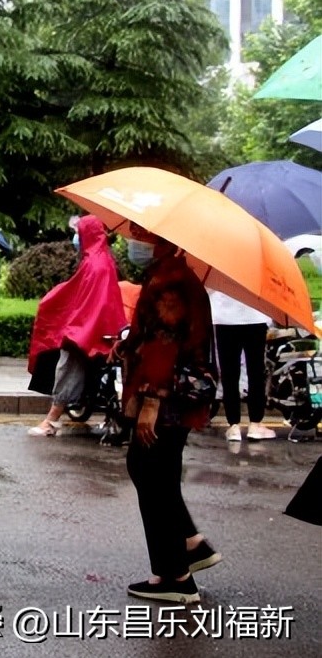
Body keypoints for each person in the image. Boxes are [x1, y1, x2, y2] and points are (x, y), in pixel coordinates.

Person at [119, 233, 221, 603]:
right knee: (152, 471)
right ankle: (189, 545)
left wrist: (150, 402)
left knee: (151, 472)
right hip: (174, 395)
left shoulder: (170, 280)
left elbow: (165, 344)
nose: (132, 240)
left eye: (137, 233)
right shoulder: (170, 273)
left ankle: (174, 576)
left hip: (168, 398)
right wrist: (128, 345)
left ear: (157, 238)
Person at [26, 215, 128, 436]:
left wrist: (74, 329)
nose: (76, 238)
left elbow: (89, 303)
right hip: (101, 326)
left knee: (68, 361)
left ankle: (52, 420)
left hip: (90, 329)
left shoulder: (94, 264)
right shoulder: (102, 259)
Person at [208, 288, 274, 442]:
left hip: (224, 317)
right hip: (255, 315)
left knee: (229, 373)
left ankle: (233, 426)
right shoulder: (259, 264)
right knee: (255, 372)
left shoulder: (223, 263)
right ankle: (255, 423)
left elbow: (209, 286)